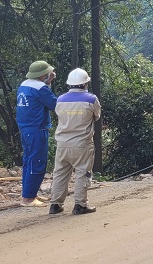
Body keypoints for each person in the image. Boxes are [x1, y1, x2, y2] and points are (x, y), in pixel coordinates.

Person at [49, 68, 101, 215]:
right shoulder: (91, 99)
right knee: (82, 173)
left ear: (69, 84)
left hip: (62, 143)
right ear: (85, 83)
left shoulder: (60, 100)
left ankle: (55, 205)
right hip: (82, 144)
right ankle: (80, 205)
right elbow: (96, 116)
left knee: (60, 173)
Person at [15, 60, 58, 207]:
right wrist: (48, 84)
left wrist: (48, 81)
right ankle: (28, 199)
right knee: (37, 162)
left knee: (28, 161)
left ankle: (29, 194)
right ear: (43, 75)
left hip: (25, 128)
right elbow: (53, 104)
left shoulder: (24, 85)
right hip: (37, 129)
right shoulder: (40, 88)